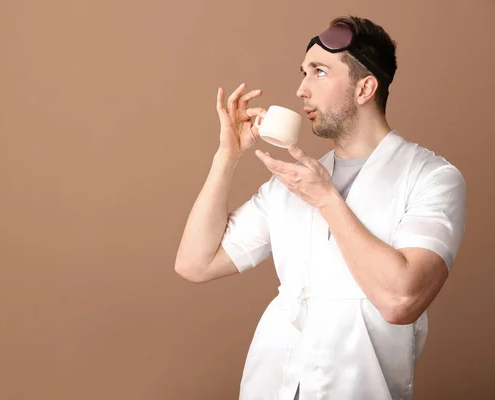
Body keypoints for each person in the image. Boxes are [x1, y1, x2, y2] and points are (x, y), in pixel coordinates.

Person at [173, 15, 466, 400]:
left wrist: (327, 199)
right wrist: (227, 155)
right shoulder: (292, 182)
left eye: (319, 72)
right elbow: (195, 263)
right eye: (303, 72)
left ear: (365, 88)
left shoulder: (431, 178)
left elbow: (401, 301)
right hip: (269, 385)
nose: (301, 90)